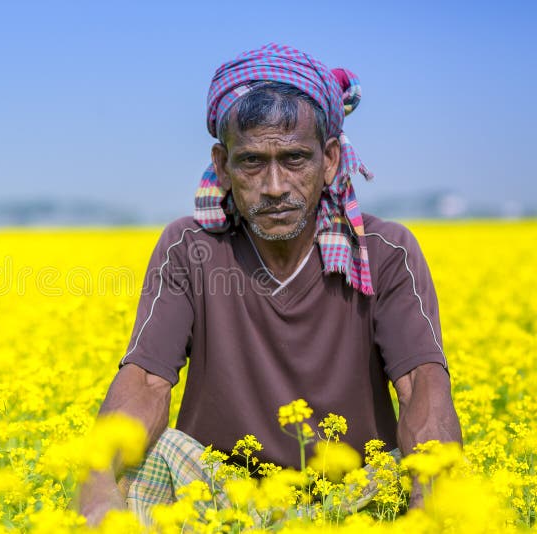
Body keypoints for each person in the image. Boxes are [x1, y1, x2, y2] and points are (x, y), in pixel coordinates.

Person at [78, 42, 462, 525]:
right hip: (219, 498)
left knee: (438, 486)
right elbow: (147, 382)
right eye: (253, 162)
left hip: (357, 496)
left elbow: (420, 386)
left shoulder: (385, 251)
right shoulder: (190, 248)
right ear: (221, 165)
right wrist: (95, 483)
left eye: (295, 159)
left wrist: (432, 508)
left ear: (329, 160)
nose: (275, 186)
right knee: (132, 475)